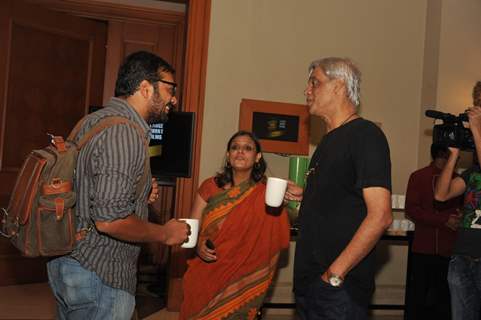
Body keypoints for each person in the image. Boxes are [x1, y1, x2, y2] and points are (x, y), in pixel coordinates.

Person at [47, 51, 190, 320]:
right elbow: (109, 221)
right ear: (146, 88)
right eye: (170, 88)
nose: (174, 98)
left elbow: (88, 184)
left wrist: (139, 190)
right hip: (99, 272)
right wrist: (165, 233)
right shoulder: (124, 133)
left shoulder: (94, 120)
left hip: (70, 261)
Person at [285, 57, 392, 320]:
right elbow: (340, 200)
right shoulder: (327, 142)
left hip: (337, 290)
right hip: (310, 286)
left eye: (315, 82)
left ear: (339, 86)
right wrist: (306, 194)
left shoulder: (365, 135)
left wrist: (334, 274)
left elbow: (380, 215)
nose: (307, 91)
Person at [179, 130, 290, 320]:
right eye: (235, 147)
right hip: (208, 271)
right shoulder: (210, 187)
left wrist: (283, 204)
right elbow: (191, 228)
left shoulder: (267, 193)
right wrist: (198, 246)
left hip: (244, 276)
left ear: (257, 157)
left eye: (247, 148)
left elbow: (275, 236)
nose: (240, 152)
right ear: (228, 156)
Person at [434, 80, 481, 320]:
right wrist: (453, 154)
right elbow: (441, 194)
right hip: (462, 257)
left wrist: (475, 129)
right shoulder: (472, 172)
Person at [405, 143, 463, 320]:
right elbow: (412, 210)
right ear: (442, 155)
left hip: (449, 248)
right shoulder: (418, 176)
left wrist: (460, 217)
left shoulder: (459, 179)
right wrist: (444, 220)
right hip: (424, 246)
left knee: (446, 298)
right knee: (419, 296)